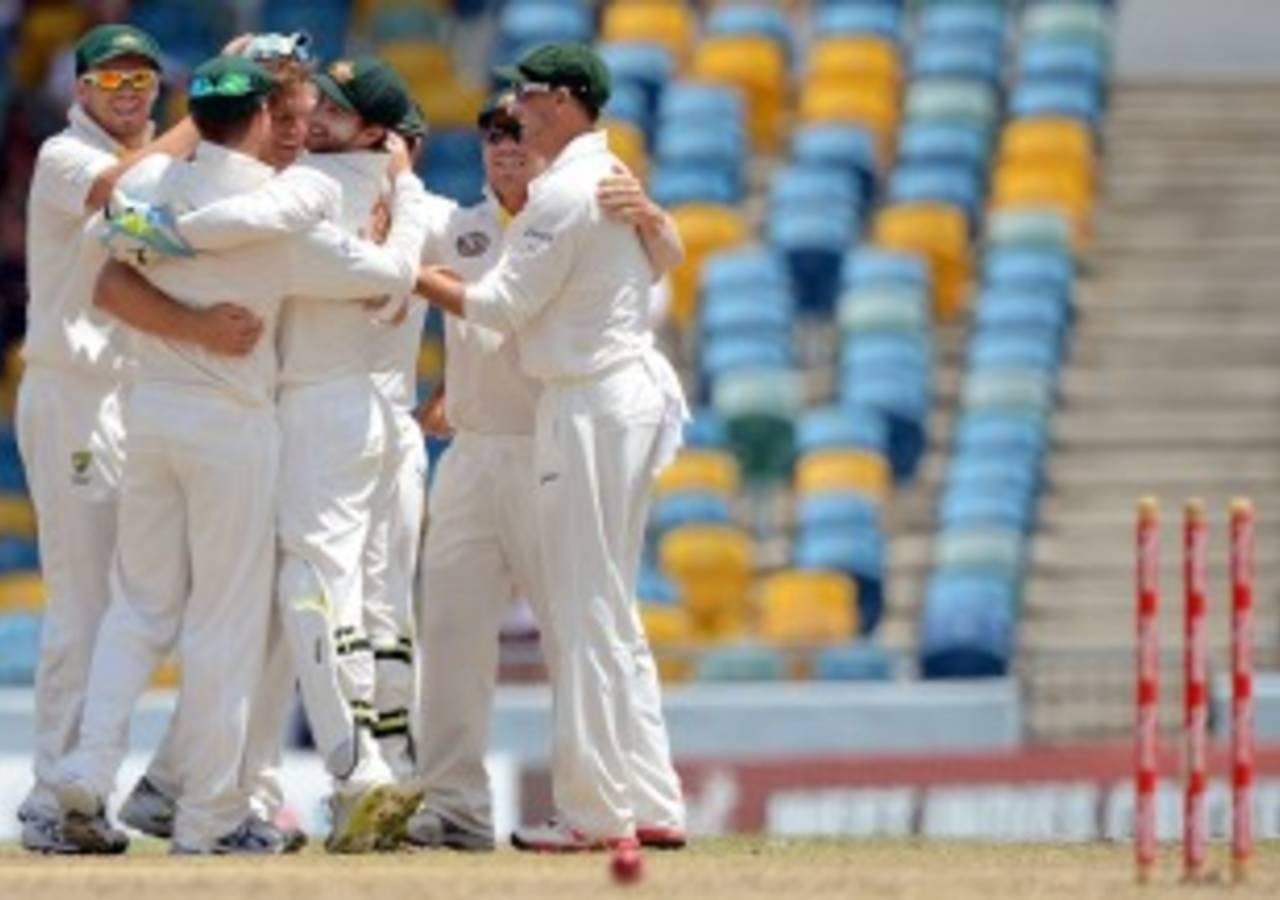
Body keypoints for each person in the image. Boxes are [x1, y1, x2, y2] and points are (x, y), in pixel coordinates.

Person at [53, 54, 431, 855]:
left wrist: (169, 251)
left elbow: (104, 274)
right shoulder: (288, 211)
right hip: (233, 423)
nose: (300, 133)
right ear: (261, 119)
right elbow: (393, 276)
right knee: (225, 625)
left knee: (138, 608)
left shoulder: (147, 192)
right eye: (288, 119)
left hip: (150, 413)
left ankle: (84, 771)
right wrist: (403, 198)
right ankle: (210, 819)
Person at [413, 43, 688, 852]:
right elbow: (658, 263)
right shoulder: (602, 181)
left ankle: (597, 812)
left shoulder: (568, 193)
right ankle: (649, 799)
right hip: (609, 401)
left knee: (585, 607)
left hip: (584, 407)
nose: (516, 116)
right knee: (603, 607)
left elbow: (496, 308)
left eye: (526, 97)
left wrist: (397, 267)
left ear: (565, 100)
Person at [15, 22, 217, 854]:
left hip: (134, 400)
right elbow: (118, 188)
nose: (130, 91)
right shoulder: (68, 157)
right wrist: (212, 112)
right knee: (87, 602)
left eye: (143, 78)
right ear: (81, 90)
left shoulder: (167, 163)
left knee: (154, 600)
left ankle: (113, 784)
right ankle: (50, 794)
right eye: (113, 78)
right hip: (74, 393)